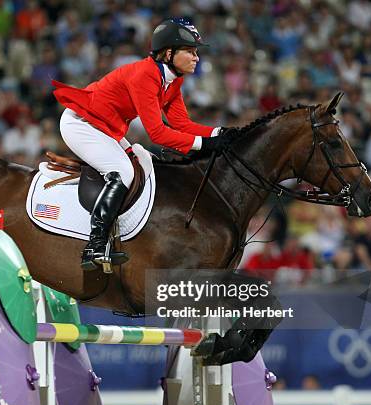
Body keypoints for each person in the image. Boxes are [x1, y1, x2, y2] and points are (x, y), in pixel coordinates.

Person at [52, 18, 235, 270]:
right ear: (169, 53)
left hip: (105, 127)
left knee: (145, 161)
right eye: (190, 52)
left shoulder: (173, 79)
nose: (196, 58)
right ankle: (95, 244)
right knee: (124, 172)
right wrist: (204, 145)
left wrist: (218, 133)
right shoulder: (145, 75)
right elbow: (158, 134)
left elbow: (181, 123)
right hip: (81, 123)